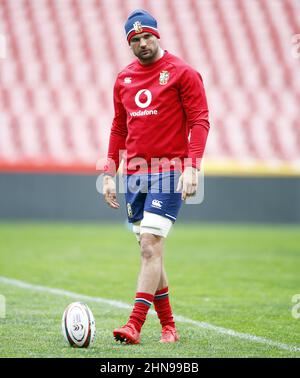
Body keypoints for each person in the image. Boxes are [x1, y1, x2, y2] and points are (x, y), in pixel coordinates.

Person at [102, 9, 210, 344]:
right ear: (129, 44)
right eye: (135, 40)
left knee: (150, 246)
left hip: (169, 170)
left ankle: (134, 324)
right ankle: (170, 328)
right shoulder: (123, 79)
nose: (142, 43)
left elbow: (200, 120)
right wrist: (109, 173)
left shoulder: (183, 73)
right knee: (151, 251)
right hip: (134, 174)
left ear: (157, 35)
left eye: (147, 36)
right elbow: (119, 127)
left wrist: (192, 166)